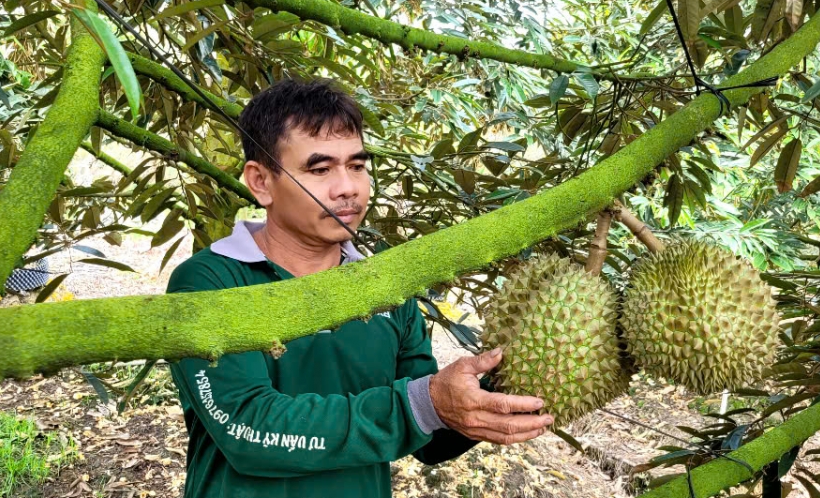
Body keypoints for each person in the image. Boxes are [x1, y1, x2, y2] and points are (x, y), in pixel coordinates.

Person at [165, 78, 554, 498]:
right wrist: (422, 404)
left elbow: (427, 433)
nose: (348, 187)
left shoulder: (387, 291)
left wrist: (499, 390)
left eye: (357, 165)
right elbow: (250, 432)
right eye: (320, 169)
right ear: (261, 182)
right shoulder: (211, 283)